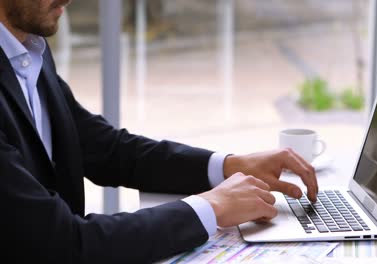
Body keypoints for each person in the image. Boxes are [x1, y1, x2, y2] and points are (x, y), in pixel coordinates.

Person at [0, 0, 318, 263]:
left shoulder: (27, 49)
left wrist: (228, 166)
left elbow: (107, 149)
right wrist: (213, 206)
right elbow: (63, 242)